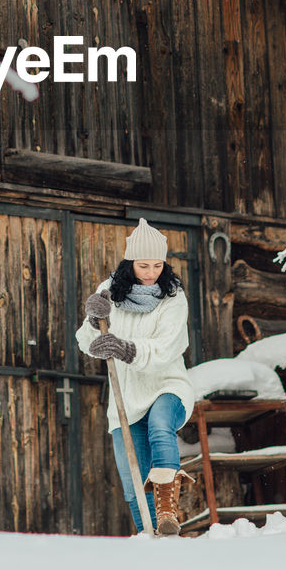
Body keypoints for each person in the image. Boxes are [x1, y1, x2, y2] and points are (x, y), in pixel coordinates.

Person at [76, 217, 195, 535]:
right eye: (144, 265)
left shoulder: (173, 298)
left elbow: (166, 349)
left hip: (167, 385)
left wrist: (125, 349)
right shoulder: (108, 292)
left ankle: (167, 509)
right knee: (133, 479)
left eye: (158, 265)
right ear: (130, 262)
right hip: (126, 398)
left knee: (160, 425)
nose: (151, 272)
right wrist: (92, 322)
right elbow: (87, 343)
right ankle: (152, 538)